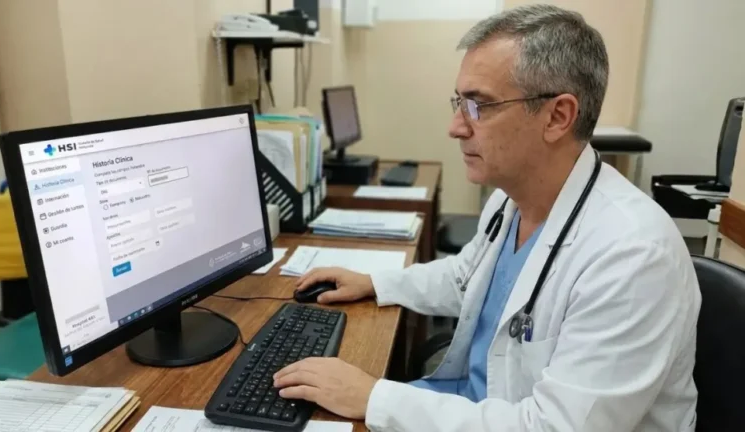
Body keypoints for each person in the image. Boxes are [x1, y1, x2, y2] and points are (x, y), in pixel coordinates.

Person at [274, 4, 701, 431]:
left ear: (557, 116)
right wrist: (375, 283)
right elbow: (466, 276)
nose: (456, 127)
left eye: (479, 105)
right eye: (459, 102)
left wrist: (375, 398)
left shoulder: (632, 255)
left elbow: (554, 427)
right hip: (467, 406)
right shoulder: (510, 200)